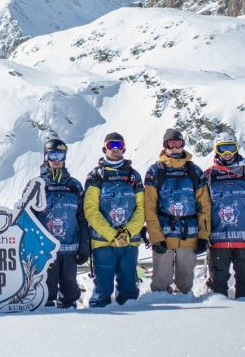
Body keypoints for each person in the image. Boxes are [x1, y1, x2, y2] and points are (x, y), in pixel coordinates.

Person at [143, 128, 209, 295]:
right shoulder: (155, 171)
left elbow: (204, 207)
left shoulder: (194, 171)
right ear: (165, 146)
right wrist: (156, 237)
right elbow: (149, 207)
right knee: (160, 284)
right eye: (171, 144)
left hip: (190, 235)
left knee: (186, 284)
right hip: (164, 235)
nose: (174, 148)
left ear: (183, 145)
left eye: (178, 144)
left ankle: (186, 314)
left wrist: (204, 236)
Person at [83, 132, 144, 307]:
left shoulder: (133, 176)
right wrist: (112, 234)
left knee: (129, 289)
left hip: (129, 241)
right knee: (103, 288)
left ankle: (131, 327)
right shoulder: (96, 176)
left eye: (119, 145)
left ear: (124, 148)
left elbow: (141, 209)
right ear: (104, 148)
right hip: (103, 241)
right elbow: (91, 210)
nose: (115, 149)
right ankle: (98, 323)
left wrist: (127, 232)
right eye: (111, 145)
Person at [204, 132, 245, 298]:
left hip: (244, 241)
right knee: (217, 291)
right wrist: (203, 236)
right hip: (218, 241)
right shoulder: (208, 175)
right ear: (216, 150)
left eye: (230, 148)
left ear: (237, 148)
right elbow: (202, 209)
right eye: (222, 148)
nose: (227, 153)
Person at [26, 138, 88, 308]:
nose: (57, 160)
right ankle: (47, 323)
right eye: (53, 155)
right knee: (46, 292)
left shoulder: (74, 185)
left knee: (70, 290)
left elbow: (82, 218)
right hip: (46, 252)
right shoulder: (36, 185)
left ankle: (70, 322)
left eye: (60, 155)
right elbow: (27, 219)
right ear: (46, 157)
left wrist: (84, 245)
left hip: (70, 249)